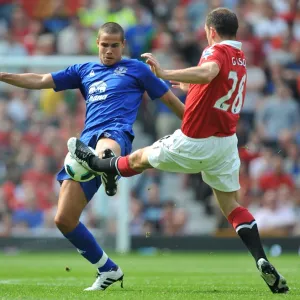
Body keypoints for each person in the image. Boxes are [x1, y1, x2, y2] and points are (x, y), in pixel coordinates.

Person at [68, 8, 289, 294]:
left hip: (195, 140)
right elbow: (217, 85)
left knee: (138, 158)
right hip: (225, 144)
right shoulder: (240, 57)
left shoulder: (217, 51)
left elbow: (209, 71)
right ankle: (261, 258)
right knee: (231, 207)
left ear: (211, 31)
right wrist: (190, 88)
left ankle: (100, 166)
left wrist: (164, 72)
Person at [0, 22, 185, 291]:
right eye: (104, 45)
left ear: (122, 46)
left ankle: (105, 166)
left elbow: (169, 99)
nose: (108, 50)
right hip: (84, 144)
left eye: (114, 45)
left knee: (106, 150)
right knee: (63, 219)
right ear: (97, 44)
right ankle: (108, 269)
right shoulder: (84, 70)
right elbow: (41, 80)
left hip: (116, 133)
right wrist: (4, 76)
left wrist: (195, 128)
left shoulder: (137, 69)